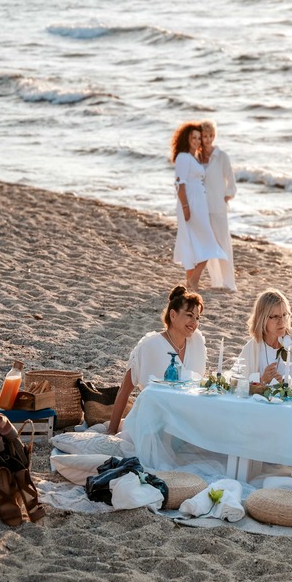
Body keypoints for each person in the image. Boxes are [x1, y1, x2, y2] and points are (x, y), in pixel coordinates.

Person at [107, 286, 207, 435]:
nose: (194, 322)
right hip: (154, 425)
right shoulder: (150, 345)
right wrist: (111, 430)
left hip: (187, 421)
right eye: (189, 315)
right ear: (173, 315)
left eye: (197, 318)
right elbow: (125, 390)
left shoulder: (196, 341)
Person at [171, 122, 226, 291]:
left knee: (193, 240)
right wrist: (186, 207)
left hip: (198, 203)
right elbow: (179, 184)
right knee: (208, 242)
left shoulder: (194, 157)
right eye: (193, 138)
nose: (196, 141)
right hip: (191, 203)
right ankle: (194, 278)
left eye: (198, 138)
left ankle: (190, 280)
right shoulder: (183, 157)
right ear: (186, 139)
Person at [236, 289, 292, 390]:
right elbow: (238, 387)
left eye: (284, 315)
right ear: (262, 319)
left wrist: (284, 383)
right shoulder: (252, 348)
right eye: (275, 317)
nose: (282, 321)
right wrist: (262, 381)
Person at [199, 119, 237, 291]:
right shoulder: (197, 156)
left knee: (223, 244)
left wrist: (226, 196)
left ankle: (228, 282)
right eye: (205, 136)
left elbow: (231, 180)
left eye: (211, 135)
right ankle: (216, 281)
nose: (208, 139)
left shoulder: (222, 156)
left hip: (218, 208)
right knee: (207, 244)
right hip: (201, 208)